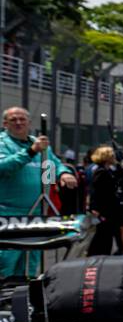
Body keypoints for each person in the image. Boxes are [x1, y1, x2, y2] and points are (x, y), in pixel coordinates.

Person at [0, 107, 78, 278]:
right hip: (7, 214)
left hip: (37, 212)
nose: (19, 123)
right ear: (5, 123)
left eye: (22, 119)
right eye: (14, 120)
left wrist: (63, 173)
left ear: (29, 123)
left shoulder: (40, 143)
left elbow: (51, 165)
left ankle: (24, 299)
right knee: (6, 263)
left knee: (31, 262)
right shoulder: (3, 143)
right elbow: (3, 168)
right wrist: (30, 152)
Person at [86, 145, 123, 256]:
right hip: (104, 209)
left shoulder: (106, 170)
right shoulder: (101, 172)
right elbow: (95, 191)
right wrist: (94, 207)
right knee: (103, 234)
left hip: (109, 208)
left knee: (107, 234)